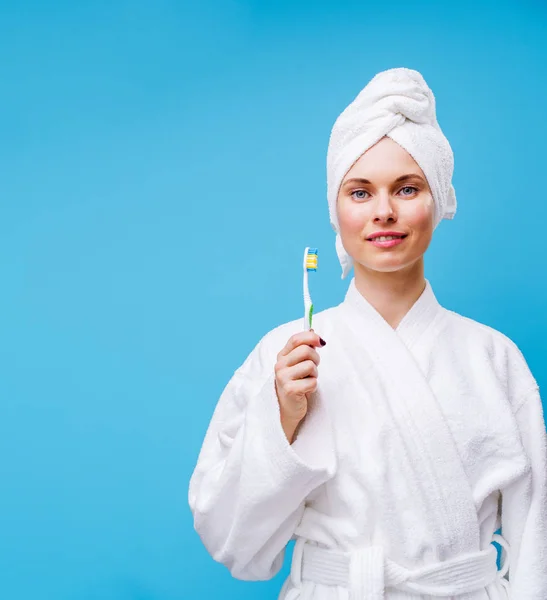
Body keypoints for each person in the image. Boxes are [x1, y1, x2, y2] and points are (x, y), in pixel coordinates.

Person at [188, 67, 547, 599]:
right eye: (360, 192)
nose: (384, 212)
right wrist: (281, 418)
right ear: (335, 208)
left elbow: (536, 533)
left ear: (439, 199)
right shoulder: (286, 357)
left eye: (407, 187)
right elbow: (232, 542)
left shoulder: (494, 357)